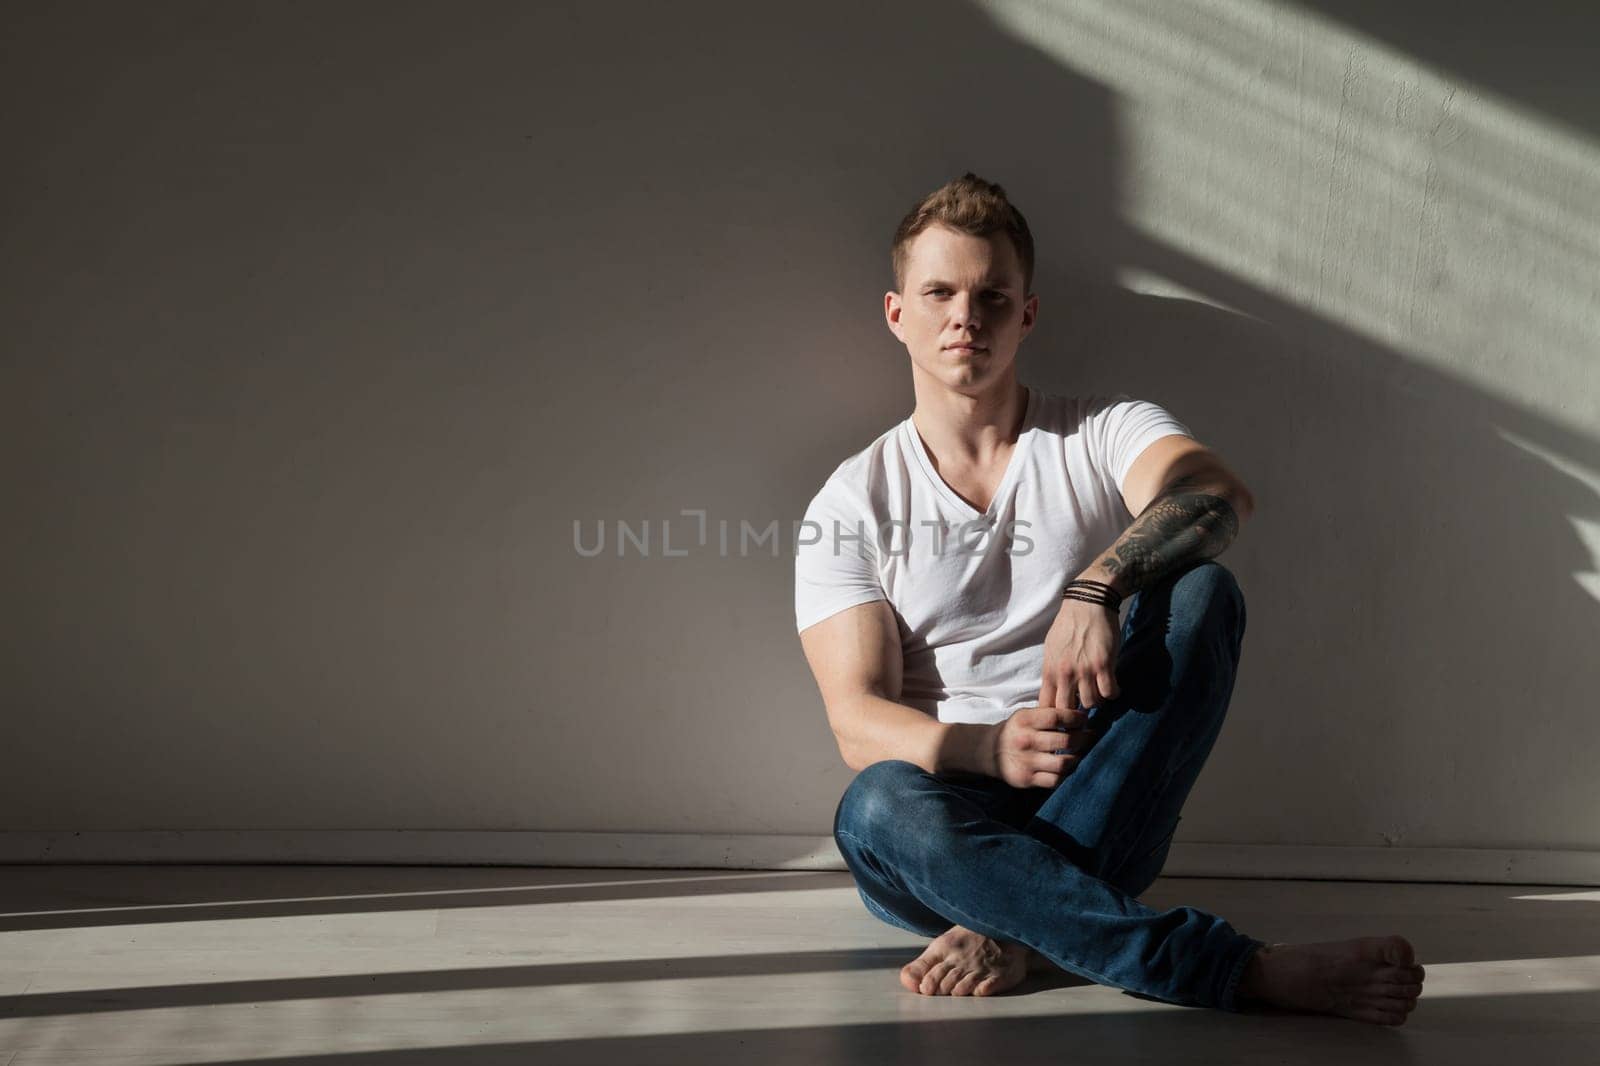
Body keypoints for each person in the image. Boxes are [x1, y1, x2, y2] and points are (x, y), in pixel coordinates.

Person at [793, 173, 1426, 1025]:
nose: (965, 317)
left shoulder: (1101, 430)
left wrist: (1098, 586)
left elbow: (1215, 492)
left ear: (1028, 314)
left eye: (992, 295)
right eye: (939, 292)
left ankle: (1013, 923)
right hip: (943, 818)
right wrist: (987, 750)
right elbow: (855, 721)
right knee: (873, 804)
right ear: (897, 313)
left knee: (1202, 592)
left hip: (1100, 790)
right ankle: (1230, 968)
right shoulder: (852, 497)